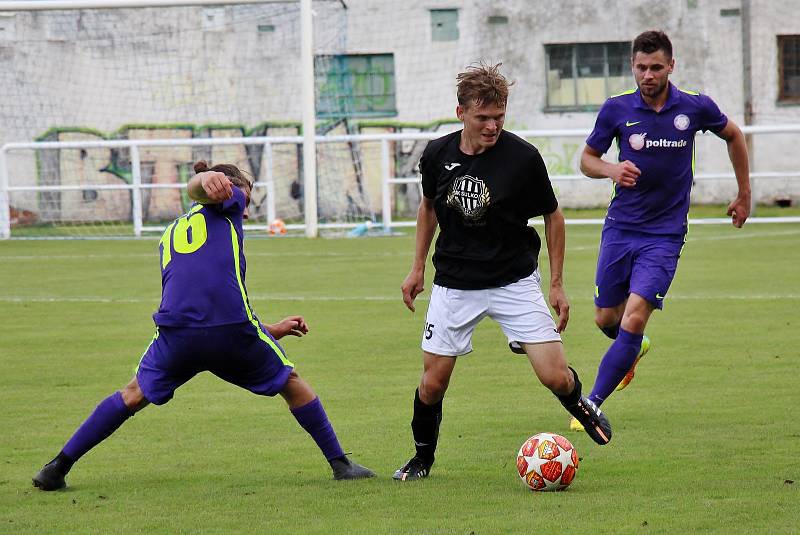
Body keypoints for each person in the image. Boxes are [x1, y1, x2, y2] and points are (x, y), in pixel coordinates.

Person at [33, 161, 375, 490]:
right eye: (247, 201)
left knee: (132, 393)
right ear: (231, 191)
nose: (246, 211)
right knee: (291, 381)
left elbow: (203, 304)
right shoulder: (229, 200)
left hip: (177, 334)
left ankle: (57, 467)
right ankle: (341, 465)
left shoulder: (172, 231)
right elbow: (199, 190)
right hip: (230, 330)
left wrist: (271, 328)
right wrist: (204, 178)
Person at [392, 62, 612, 482]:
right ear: (461, 113)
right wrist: (417, 267)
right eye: (483, 118)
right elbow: (428, 208)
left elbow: (553, 216)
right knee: (433, 383)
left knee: (554, 376)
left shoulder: (523, 158)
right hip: (454, 284)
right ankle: (422, 458)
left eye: (499, 117)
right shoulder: (437, 155)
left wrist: (558, 284)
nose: (492, 126)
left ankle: (578, 401)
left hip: (514, 279)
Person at [573, 30, 750, 430]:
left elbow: (734, 135)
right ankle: (632, 350)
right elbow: (587, 159)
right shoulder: (616, 110)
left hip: (665, 235)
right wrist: (611, 169)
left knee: (635, 318)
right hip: (620, 228)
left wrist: (745, 194)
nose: (648, 75)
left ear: (671, 66)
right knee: (606, 319)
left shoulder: (695, 107)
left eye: (656, 67)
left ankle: (593, 404)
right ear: (632, 67)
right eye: (641, 67)